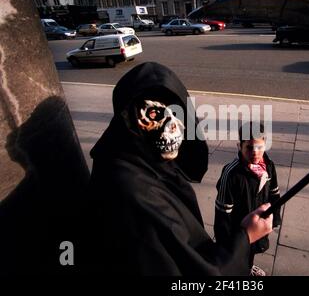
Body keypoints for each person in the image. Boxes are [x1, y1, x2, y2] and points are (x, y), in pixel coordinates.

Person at [79, 62, 273, 275]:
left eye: (177, 114)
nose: (173, 127)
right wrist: (245, 238)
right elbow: (196, 272)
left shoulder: (139, 156)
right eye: (155, 115)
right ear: (131, 119)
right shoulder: (130, 192)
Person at [214, 121, 282, 276]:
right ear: (240, 146)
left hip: (258, 221)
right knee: (238, 254)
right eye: (249, 147)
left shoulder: (269, 166)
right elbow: (222, 212)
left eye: (259, 147)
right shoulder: (231, 174)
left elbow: (274, 194)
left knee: (251, 250)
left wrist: (275, 219)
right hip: (238, 227)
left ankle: (248, 268)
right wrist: (224, 244)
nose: (255, 152)